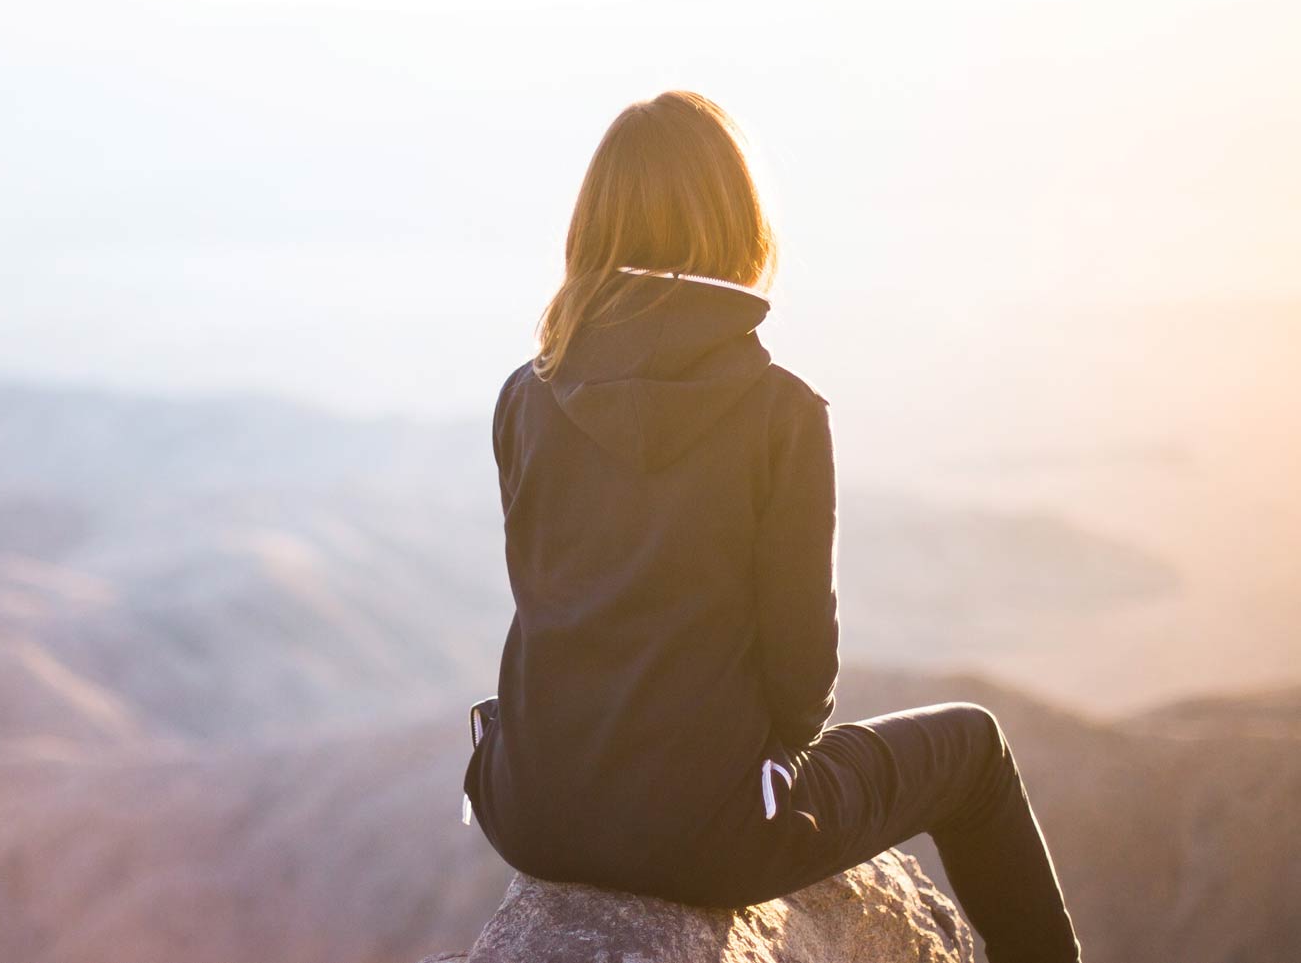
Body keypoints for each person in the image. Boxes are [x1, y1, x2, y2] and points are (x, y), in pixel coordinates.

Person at [461, 91, 1083, 963]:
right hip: (709, 840)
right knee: (974, 747)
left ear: (592, 226)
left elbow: (556, 601)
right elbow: (802, 683)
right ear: (737, 222)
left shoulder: (524, 396)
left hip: (526, 810)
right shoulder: (778, 413)